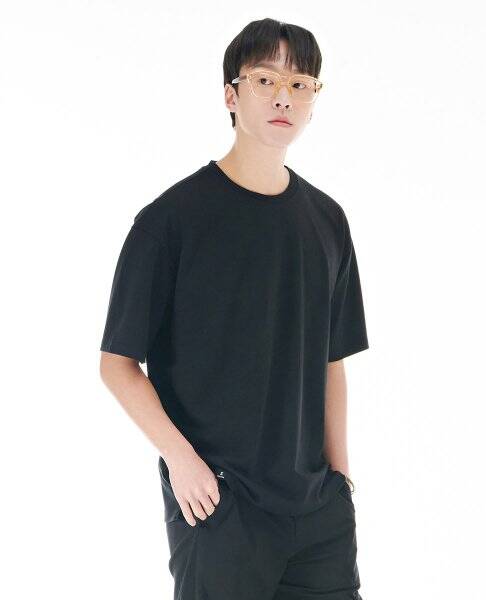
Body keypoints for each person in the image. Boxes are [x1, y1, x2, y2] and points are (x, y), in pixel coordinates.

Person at [99, 17, 369, 600]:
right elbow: (117, 363)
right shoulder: (170, 222)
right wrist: (182, 462)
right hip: (220, 504)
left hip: (317, 515)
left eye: (300, 84)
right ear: (231, 94)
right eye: (265, 79)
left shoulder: (327, 220)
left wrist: (341, 481)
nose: (283, 97)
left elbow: (333, 359)